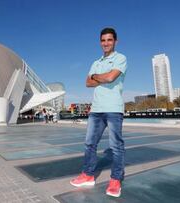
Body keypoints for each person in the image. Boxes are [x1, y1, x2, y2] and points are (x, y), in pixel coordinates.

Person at [70, 27, 127, 198]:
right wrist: (100, 76)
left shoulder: (121, 58)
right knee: (90, 144)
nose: (106, 43)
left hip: (113, 109)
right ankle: (88, 175)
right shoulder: (96, 62)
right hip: (96, 110)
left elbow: (111, 78)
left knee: (116, 147)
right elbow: (88, 83)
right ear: (100, 42)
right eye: (103, 40)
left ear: (115, 41)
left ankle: (116, 180)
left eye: (109, 40)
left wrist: (97, 77)